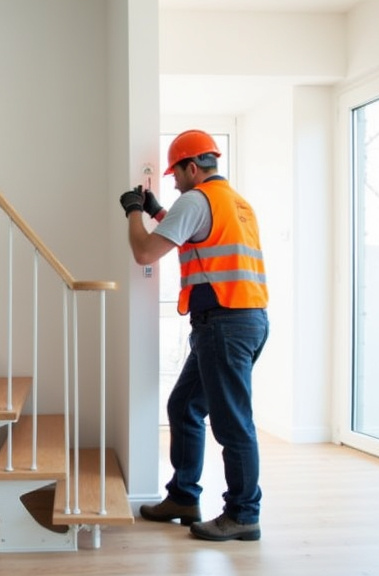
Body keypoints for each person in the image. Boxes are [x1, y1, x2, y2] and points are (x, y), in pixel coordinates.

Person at [120, 129, 269, 542]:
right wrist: (158, 211)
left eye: (176, 174)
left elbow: (145, 252)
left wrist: (134, 212)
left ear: (191, 167)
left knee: (233, 423)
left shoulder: (197, 199)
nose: (174, 181)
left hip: (224, 324)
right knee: (184, 405)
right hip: (246, 319)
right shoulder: (237, 203)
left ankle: (243, 514)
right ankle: (184, 497)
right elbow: (197, 235)